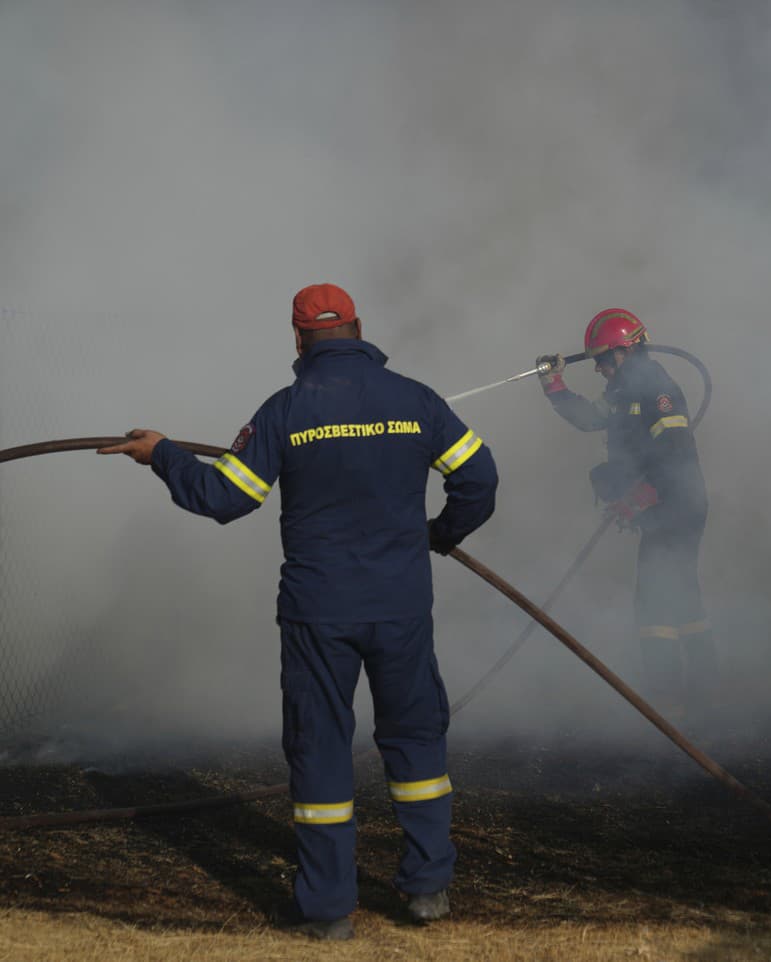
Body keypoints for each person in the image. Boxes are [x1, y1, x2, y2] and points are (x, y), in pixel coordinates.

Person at [98, 283, 498, 940]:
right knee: (416, 738)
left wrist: (162, 455)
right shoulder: (417, 401)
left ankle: (327, 911)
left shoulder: (286, 410)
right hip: (400, 606)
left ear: (297, 338)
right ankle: (428, 889)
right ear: (360, 328)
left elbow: (224, 497)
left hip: (319, 613)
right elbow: (479, 480)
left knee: (320, 749)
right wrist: (439, 534)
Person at [536, 308, 714, 719]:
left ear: (624, 351)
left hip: (677, 505)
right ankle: (706, 689)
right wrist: (554, 385)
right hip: (668, 506)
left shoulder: (656, 387)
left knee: (654, 599)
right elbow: (590, 419)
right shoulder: (623, 391)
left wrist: (648, 491)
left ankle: (665, 699)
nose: (598, 368)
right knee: (683, 593)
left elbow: (675, 447)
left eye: (602, 358)